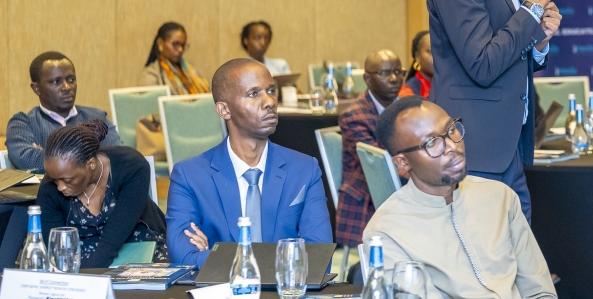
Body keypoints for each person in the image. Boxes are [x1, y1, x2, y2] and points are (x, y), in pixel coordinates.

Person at [427, 0, 561, 222]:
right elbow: (482, 63)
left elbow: (508, 52)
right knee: (484, 267)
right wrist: (531, 8)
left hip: (505, 147)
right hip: (475, 150)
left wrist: (540, 42)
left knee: (517, 261)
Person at [364, 97, 557, 299]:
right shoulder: (387, 232)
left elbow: (540, 289)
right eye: (431, 142)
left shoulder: (500, 197)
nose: (451, 147)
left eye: (451, 130)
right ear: (402, 162)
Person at [166, 59, 332, 267]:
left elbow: (319, 258)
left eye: (271, 91)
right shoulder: (190, 175)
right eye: (253, 94)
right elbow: (184, 259)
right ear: (224, 110)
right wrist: (285, 257)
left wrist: (216, 255)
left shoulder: (305, 169)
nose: (269, 101)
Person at [39, 120, 167, 268]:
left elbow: (111, 241)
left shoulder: (131, 166)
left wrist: (91, 277)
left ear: (91, 164)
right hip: (80, 256)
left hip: (137, 245)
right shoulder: (49, 187)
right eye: (55, 180)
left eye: (67, 180)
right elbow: (57, 248)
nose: (60, 187)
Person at [6, 52, 122, 173]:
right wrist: (90, 158)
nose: (67, 87)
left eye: (71, 80)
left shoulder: (97, 117)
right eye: (56, 82)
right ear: (36, 88)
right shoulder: (22, 123)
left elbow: (117, 157)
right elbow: (26, 160)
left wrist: (47, 155)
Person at [336, 50, 405, 248]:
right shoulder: (354, 116)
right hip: (368, 195)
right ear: (367, 79)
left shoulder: (409, 109)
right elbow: (379, 166)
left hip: (401, 184)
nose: (394, 79)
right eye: (385, 73)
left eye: (398, 72)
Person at [140, 22, 209, 95]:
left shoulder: (191, 71)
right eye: (175, 44)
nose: (180, 49)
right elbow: (151, 104)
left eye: (183, 45)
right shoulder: (151, 75)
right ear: (160, 43)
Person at [399, 31, 433, 98]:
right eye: (431, 51)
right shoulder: (406, 93)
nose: (438, 57)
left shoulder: (453, 87)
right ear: (417, 57)